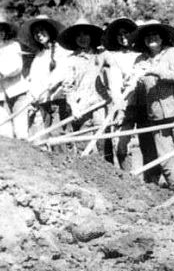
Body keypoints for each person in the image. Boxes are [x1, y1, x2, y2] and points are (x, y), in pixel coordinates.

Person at [132, 20, 174, 192]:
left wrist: (154, 71)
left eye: (155, 35)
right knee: (165, 159)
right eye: (147, 36)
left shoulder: (172, 53)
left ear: (162, 38)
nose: (151, 38)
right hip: (156, 116)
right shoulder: (140, 60)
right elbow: (136, 79)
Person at [103, 18, 159, 182]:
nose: (123, 37)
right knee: (122, 145)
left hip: (145, 104)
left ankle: (152, 181)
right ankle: (128, 181)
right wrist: (119, 107)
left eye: (126, 33)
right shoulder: (115, 57)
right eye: (119, 34)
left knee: (149, 144)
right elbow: (114, 85)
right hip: (126, 105)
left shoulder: (143, 55)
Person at [58, 18, 112, 159]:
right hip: (81, 107)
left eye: (85, 34)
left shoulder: (101, 55)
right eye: (79, 35)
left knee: (104, 145)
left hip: (100, 104)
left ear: (91, 36)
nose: (82, 38)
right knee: (84, 146)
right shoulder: (71, 59)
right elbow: (67, 87)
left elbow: (113, 71)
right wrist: (74, 107)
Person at [22, 15, 70, 136]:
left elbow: (61, 72)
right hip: (43, 102)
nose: (39, 35)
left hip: (57, 100)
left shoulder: (61, 49)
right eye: (36, 32)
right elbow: (33, 79)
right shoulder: (39, 55)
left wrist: (47, 85)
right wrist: (31, 97)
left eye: (42, 30)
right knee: (42, 135)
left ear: (49, 30)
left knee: (58, 134)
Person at [0, 13, 29, 139]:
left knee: (21, 132)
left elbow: (16, 65)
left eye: (1, 30)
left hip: (17, 93)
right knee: (5, 134)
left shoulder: (13, 46)